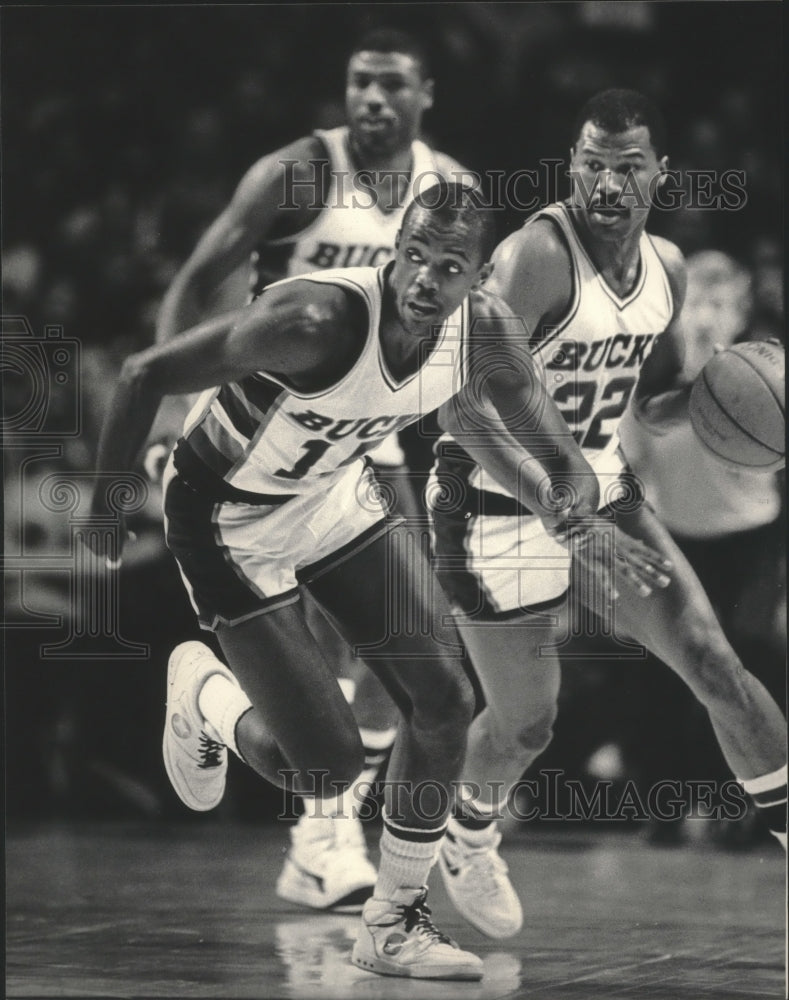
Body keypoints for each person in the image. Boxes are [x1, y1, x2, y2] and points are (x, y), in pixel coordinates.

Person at [88, 184, 649, 979]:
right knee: (325, 770)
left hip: (331, 498)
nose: (423, 278)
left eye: (446, 266)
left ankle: (393, 921)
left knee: (446, 702)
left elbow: (520, 434)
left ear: (476, 276)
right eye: (412, 256)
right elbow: (145, 373)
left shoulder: (481, 328)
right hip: (225, 518)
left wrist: (564, 496)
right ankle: (206, 698)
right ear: (395, 250)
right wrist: (108, 510)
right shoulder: (312, 320)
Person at [428, 91, 788, 940]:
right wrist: (555, 512)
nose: (608, 182)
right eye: (592, 163)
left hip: (600, 489)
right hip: (491, 502)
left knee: (714, 664)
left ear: (657, 173)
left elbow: (628, 403)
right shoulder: (534, 259)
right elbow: (457, 411)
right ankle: (466, 835)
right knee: (526, 725)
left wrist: (711, 405)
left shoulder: (665, 269)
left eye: (628, 166)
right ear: (571, 168)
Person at [148, 27, 472, 910]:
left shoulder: (452, 192)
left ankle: (329, 827)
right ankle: (321, 826)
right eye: (358, 82)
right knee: (329, 640)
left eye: (391, 84)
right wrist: (174, 413)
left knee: (409, 644)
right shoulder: (297, 171)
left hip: (374, 423)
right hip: (269, 423)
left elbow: (469, 327)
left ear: (425, 93)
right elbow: (199, 276)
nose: (371, 98)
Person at [618, 251, 786, 844]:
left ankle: (740, 805)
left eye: (723, 300)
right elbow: (631, 460)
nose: (708, 312)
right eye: (698, 300)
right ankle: (663, 801)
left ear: (742, 311)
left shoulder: (765, 371)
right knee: (666, 669)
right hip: (674, 532)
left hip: (752, 534)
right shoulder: (650, 372)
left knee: (749, 656)